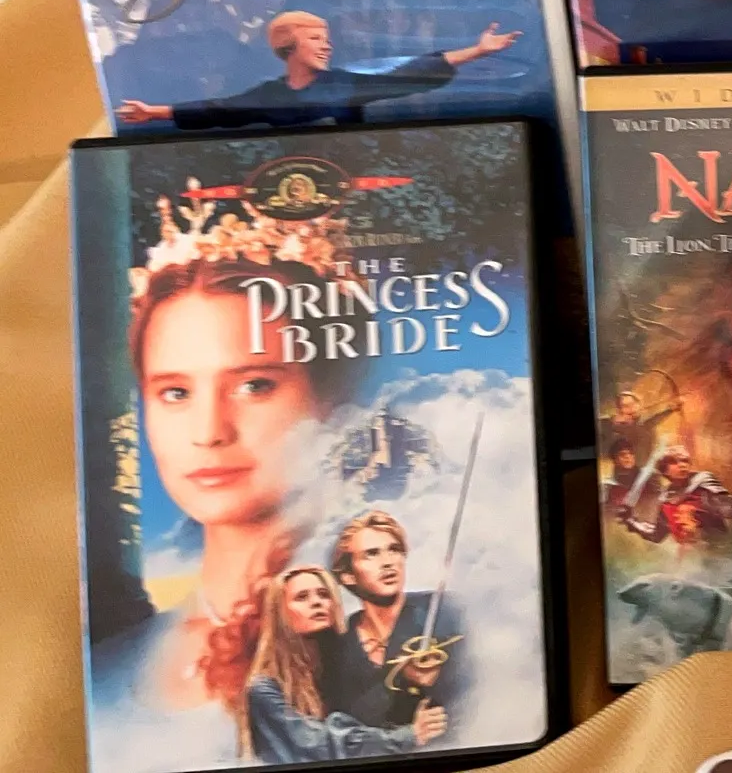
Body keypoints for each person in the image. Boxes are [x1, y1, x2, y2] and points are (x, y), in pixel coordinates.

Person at [87, 252, 353, 770]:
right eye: (175, 392)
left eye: (255, 385)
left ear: (327, 398)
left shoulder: (380, 626)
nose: (209, 431)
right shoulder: (107, 667)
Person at [115, 11, 520, 130]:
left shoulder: (345, 83)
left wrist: (477, 51)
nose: (327, 46)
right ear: (288, 47)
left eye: (326, 39)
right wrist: (154, 112)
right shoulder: (269, 94)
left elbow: (409, 72)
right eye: (314, 39)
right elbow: (219, 109)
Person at [240, 565, 445, 763]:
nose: (317, 602)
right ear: (280, 613)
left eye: (323, 594)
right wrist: (408, 736)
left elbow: (374, 719)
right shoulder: (264, 688)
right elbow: (322, 745)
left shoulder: (336, 671)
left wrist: (409, 680)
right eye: (302, 597)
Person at [321, 511, 464, 734]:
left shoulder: (448, 610)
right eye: (371, 554)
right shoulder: (338, 647)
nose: (388, 562)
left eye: (394, 550)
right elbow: (345, 723)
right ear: (348, 575)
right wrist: (403, 681)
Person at [621, 445, 732, 544]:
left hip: (721, 548)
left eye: (684, 460)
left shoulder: (701, 481)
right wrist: (632, 522)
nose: (682, 464)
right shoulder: (666, 499)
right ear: (664, 469)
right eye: (674, 462)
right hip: (695, 557)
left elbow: (729, 503)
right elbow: (656, 534)